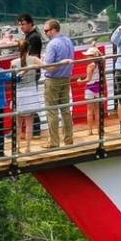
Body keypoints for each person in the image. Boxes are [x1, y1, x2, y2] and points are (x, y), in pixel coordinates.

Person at [42, 18, 77, 146]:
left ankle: (54, 142)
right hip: (66, 78)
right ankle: (68, 139)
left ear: (53, 30)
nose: (45, 33)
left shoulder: (52, 44)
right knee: (66, 110)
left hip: (53, 80)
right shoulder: (68, 40)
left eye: (46, 30)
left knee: (51, 111)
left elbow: (49, 67)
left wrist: (40, 63)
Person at [13, 33, 45, 153]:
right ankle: (28, 147)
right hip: (31, 93)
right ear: (29, 48)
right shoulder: (34, 60)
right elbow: (47, 67)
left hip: (19, 94)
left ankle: (17, 147)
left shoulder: (13, 63)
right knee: (29, 123)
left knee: (18, 124)